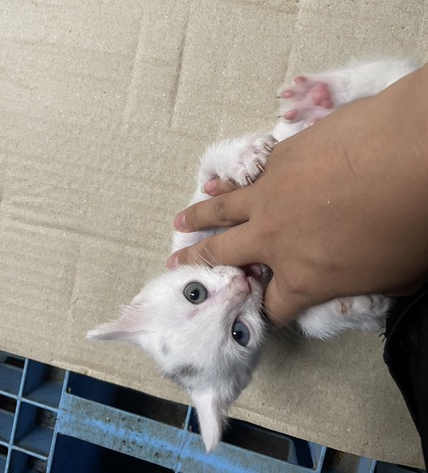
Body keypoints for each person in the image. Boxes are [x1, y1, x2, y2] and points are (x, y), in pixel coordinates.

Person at [167, 62, 428, 465]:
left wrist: (234, 160)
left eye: (196, 294)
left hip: (342, 160)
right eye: (238, 333)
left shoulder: (190, 242)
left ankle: (362, 98)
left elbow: (211, 171)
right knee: (316, 319)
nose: (238, 290)